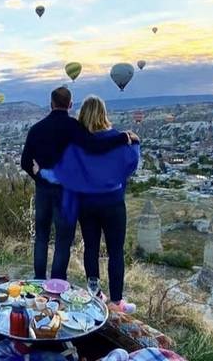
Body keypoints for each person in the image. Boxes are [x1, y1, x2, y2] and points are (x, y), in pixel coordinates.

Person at [33, 95, 140, 313]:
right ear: (104, 114)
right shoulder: (120, 140)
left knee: (91, 248)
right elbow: (131, 165)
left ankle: (95, 293)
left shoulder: (77, 146)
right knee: (115, 251)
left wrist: (40, 172)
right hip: (113, 203)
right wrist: (134, 143)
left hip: (86, 204)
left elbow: (64, 174)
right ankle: (117, 302)